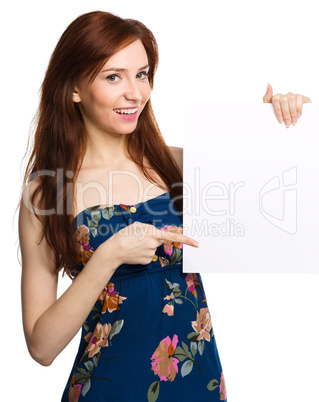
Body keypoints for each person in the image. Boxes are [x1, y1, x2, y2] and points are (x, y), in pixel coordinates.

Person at [18, 10, 311, 402]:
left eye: (141, 74)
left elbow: (292, 203)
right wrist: (109, 255)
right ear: (73, 87)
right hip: (107, 388)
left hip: (196, 381)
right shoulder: (45, 193)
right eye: (113, 76)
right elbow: (41, 346)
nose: (135, 93)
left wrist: (280, 120)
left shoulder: (178, 165)